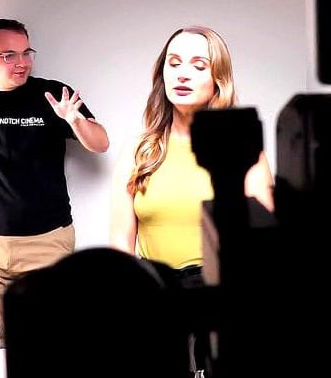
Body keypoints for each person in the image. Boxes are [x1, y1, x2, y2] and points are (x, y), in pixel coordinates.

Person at [0, 17, 109, 346]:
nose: (22, 62)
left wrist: (75, 120)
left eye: (26, 52)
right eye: (9, 55)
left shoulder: (51, 95)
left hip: (47, 241)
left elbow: (101, 143)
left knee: (51, 340)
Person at [110, 25, 274, 267]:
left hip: (218, 281)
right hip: (153, 282)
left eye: (199, 66)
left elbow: (261, 242)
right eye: (174, 63)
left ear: (218, 79)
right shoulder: (137, 150)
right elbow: (120, 242)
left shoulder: (242, 150)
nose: (182, 75)